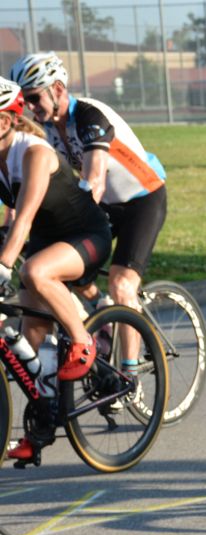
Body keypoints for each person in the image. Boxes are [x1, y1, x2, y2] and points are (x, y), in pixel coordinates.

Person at [10, 50, 167, 370]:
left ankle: (130, 370)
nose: (31, 108)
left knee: (122, 283)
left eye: (35, 98)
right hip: (105, 205)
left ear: (57, 89)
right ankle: (99, 305)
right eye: (25, 101)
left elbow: (95, 180)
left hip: (142, 199)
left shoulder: (89, 115)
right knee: (63, 262)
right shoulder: (45, 128)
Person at [0, 77, 112, 460]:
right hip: (47, 242)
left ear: (4, 122)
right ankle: (43, 424)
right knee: (31, 341)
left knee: (34, 272)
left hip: (86, 234)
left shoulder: (33, 153)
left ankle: (83, 340)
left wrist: (3, 267)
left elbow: (24, 218)